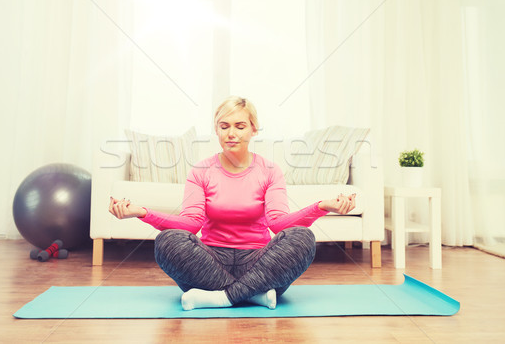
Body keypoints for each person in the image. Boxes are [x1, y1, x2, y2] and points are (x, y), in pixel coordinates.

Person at [109, 96, 355, 311]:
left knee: (302, 237)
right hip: (209, 263)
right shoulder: (201, 170)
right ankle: (253, 295)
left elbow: (279, 223)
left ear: (253, 130)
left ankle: (223, 297)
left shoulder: (270, 170)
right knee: (167, 240)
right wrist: (142, 212)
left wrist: (322, 206)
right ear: (216, 130)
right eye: (224, 126)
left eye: (240, 126)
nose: (231, 133)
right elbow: (191, 224)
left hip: (259, 263)